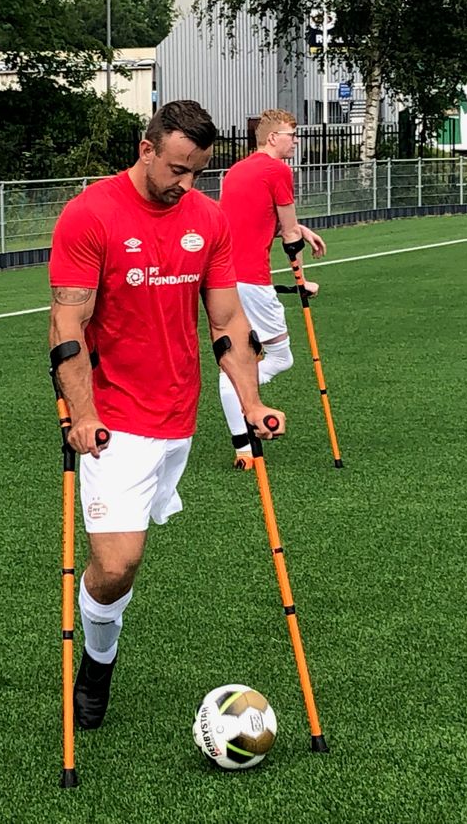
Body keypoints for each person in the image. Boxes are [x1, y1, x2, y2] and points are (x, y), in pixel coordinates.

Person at [48, 100, 287, 729]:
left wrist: (253, 400)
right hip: (113, 418)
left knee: (128, 560)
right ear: (146, 147)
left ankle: (101, 644)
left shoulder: (207, 219)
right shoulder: (89, 215)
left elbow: (228, 320)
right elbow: (67, 322)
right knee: (117, 564)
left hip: (178, 412)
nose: (186, 183)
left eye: (197, 172)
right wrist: (80, 412)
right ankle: (98, 663)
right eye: (178, 168)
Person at [218, 109, 327, 470]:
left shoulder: (237, 171)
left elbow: (256, 220)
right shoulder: (278, 170)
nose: (294, 141)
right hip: (251, 278)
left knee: (238, 355)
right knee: (280, 357)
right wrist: (302, 281)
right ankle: (243, 415)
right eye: (290, 135)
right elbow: (290, 234)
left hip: (223, 278)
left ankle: (243, 448)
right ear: (271, 138)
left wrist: (299, 228)